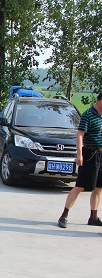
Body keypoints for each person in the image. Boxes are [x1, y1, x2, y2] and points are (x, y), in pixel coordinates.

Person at [57, 91, 102, 228]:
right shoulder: (88, 114)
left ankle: (93, 217)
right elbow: (80, 135)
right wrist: (79, 155)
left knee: (99, 187)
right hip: (89, 154)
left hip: (101, 154)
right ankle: (64, 215)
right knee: (80, 186)